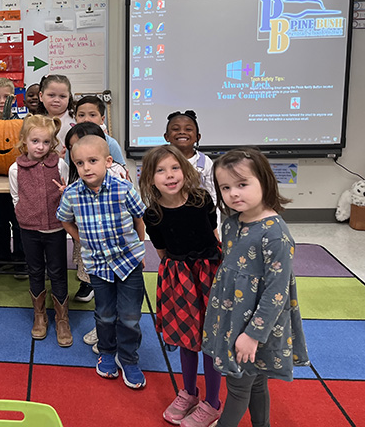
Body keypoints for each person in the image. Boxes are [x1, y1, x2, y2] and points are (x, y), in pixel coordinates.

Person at [203, 148, 309, 427]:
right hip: (232, 317)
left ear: (265, 181)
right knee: (256, 383)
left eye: (242, 184)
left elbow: (276, 292)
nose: (233, 193)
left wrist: (252, 335)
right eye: (225, 187)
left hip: (255, 325)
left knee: (239, 387)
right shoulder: (231, 223)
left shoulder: (275, 234)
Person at [139, 145, 223, 426]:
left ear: (185, 171)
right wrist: (181, 274)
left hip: (210, 273)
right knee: (186, 339)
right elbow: (163, 253)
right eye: (160, 170)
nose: (169, 175)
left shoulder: (202, 200)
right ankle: (189, 392)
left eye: (175, 168)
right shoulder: (152, 214)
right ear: (150, 179)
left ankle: (213, 402)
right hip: (179, 277)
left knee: (211, 340)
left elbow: (214, 236)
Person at [57, 135, 148, 390]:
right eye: (80, 163)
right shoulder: (73, 194)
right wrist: (81, 240)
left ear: (108, 161)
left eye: (93, 161)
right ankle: (107, 352)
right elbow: (64, 219)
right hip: (97, 265)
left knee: (130, 316)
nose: (86, 168)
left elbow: (140, 218)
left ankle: (128, 358)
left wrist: (139, 248)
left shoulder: (123, 188)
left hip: (128, 263)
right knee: (105, 314)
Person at [8, 115, 71, 346]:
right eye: (35, 141)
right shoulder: (15, 168)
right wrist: (25, 215)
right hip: (29, 230)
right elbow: (15, 197)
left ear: (52, 142)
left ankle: (62, 318)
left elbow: (67, 193)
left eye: (45, 142)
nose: (40, 147)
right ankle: (40, 315)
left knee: (58, 271)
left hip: (55, 229)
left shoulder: (60, 165)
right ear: (25, 140)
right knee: (35, 271)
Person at [0, 77, 25, 274]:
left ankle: (20, 257)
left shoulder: (23, 126)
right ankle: (2, 255)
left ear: (14, 99)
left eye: (6, 97)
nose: (2, 101)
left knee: (19, 222)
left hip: (19, 182)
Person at [163, 110, 215, 204]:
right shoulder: (162, 161)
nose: (182, 132)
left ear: (197, 137)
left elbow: (213, 195)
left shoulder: (205, 162)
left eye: (188, 129)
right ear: (166, 137)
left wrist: (214, 218)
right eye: (176, 129)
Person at [74, 95, 127, 169]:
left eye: (92, 115)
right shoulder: (73, 142)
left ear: (102, 119)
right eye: (81, 115)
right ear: (75, 118)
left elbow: (120, 170)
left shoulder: (111, 144)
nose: (86, 119)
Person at [38, 74, 76, 152]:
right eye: (51, 95)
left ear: (69, 97)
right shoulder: (36, 121)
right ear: (41, 96)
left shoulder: (76, 119)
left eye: (62, 96)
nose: (56, 100)